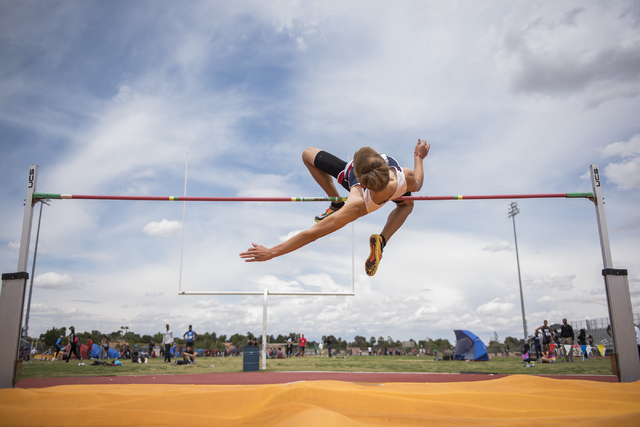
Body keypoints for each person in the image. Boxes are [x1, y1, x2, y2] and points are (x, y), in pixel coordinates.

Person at [240, 140, 431, 277]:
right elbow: (419, 182)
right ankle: (382, 240)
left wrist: (272, 252)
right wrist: (418, 157)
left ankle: (336, 201)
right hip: (395, 190)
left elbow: (312, 234)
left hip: (365, 193)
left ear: (356, 175)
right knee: (407, 205)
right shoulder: (404, 176)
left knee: (308, 153)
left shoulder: (356, 204)